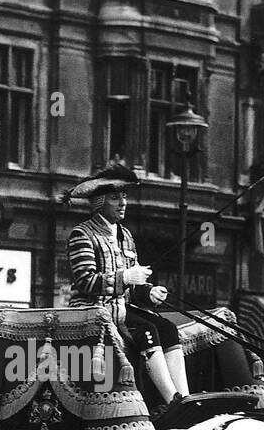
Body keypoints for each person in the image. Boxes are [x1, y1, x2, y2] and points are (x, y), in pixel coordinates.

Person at [62, 164, 189, 406]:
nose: (123, 203)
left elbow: (134, 283)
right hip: (94, 310)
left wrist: (148, 291)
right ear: (99, 203)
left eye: (124, 197)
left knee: (168, 329)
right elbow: (86, 281)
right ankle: (172, 400)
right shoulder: (82, 234)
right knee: (147, 330)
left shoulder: (126, 235)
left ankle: (185, 397)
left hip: (122, 307)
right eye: (114, 198)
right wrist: (125, 278)